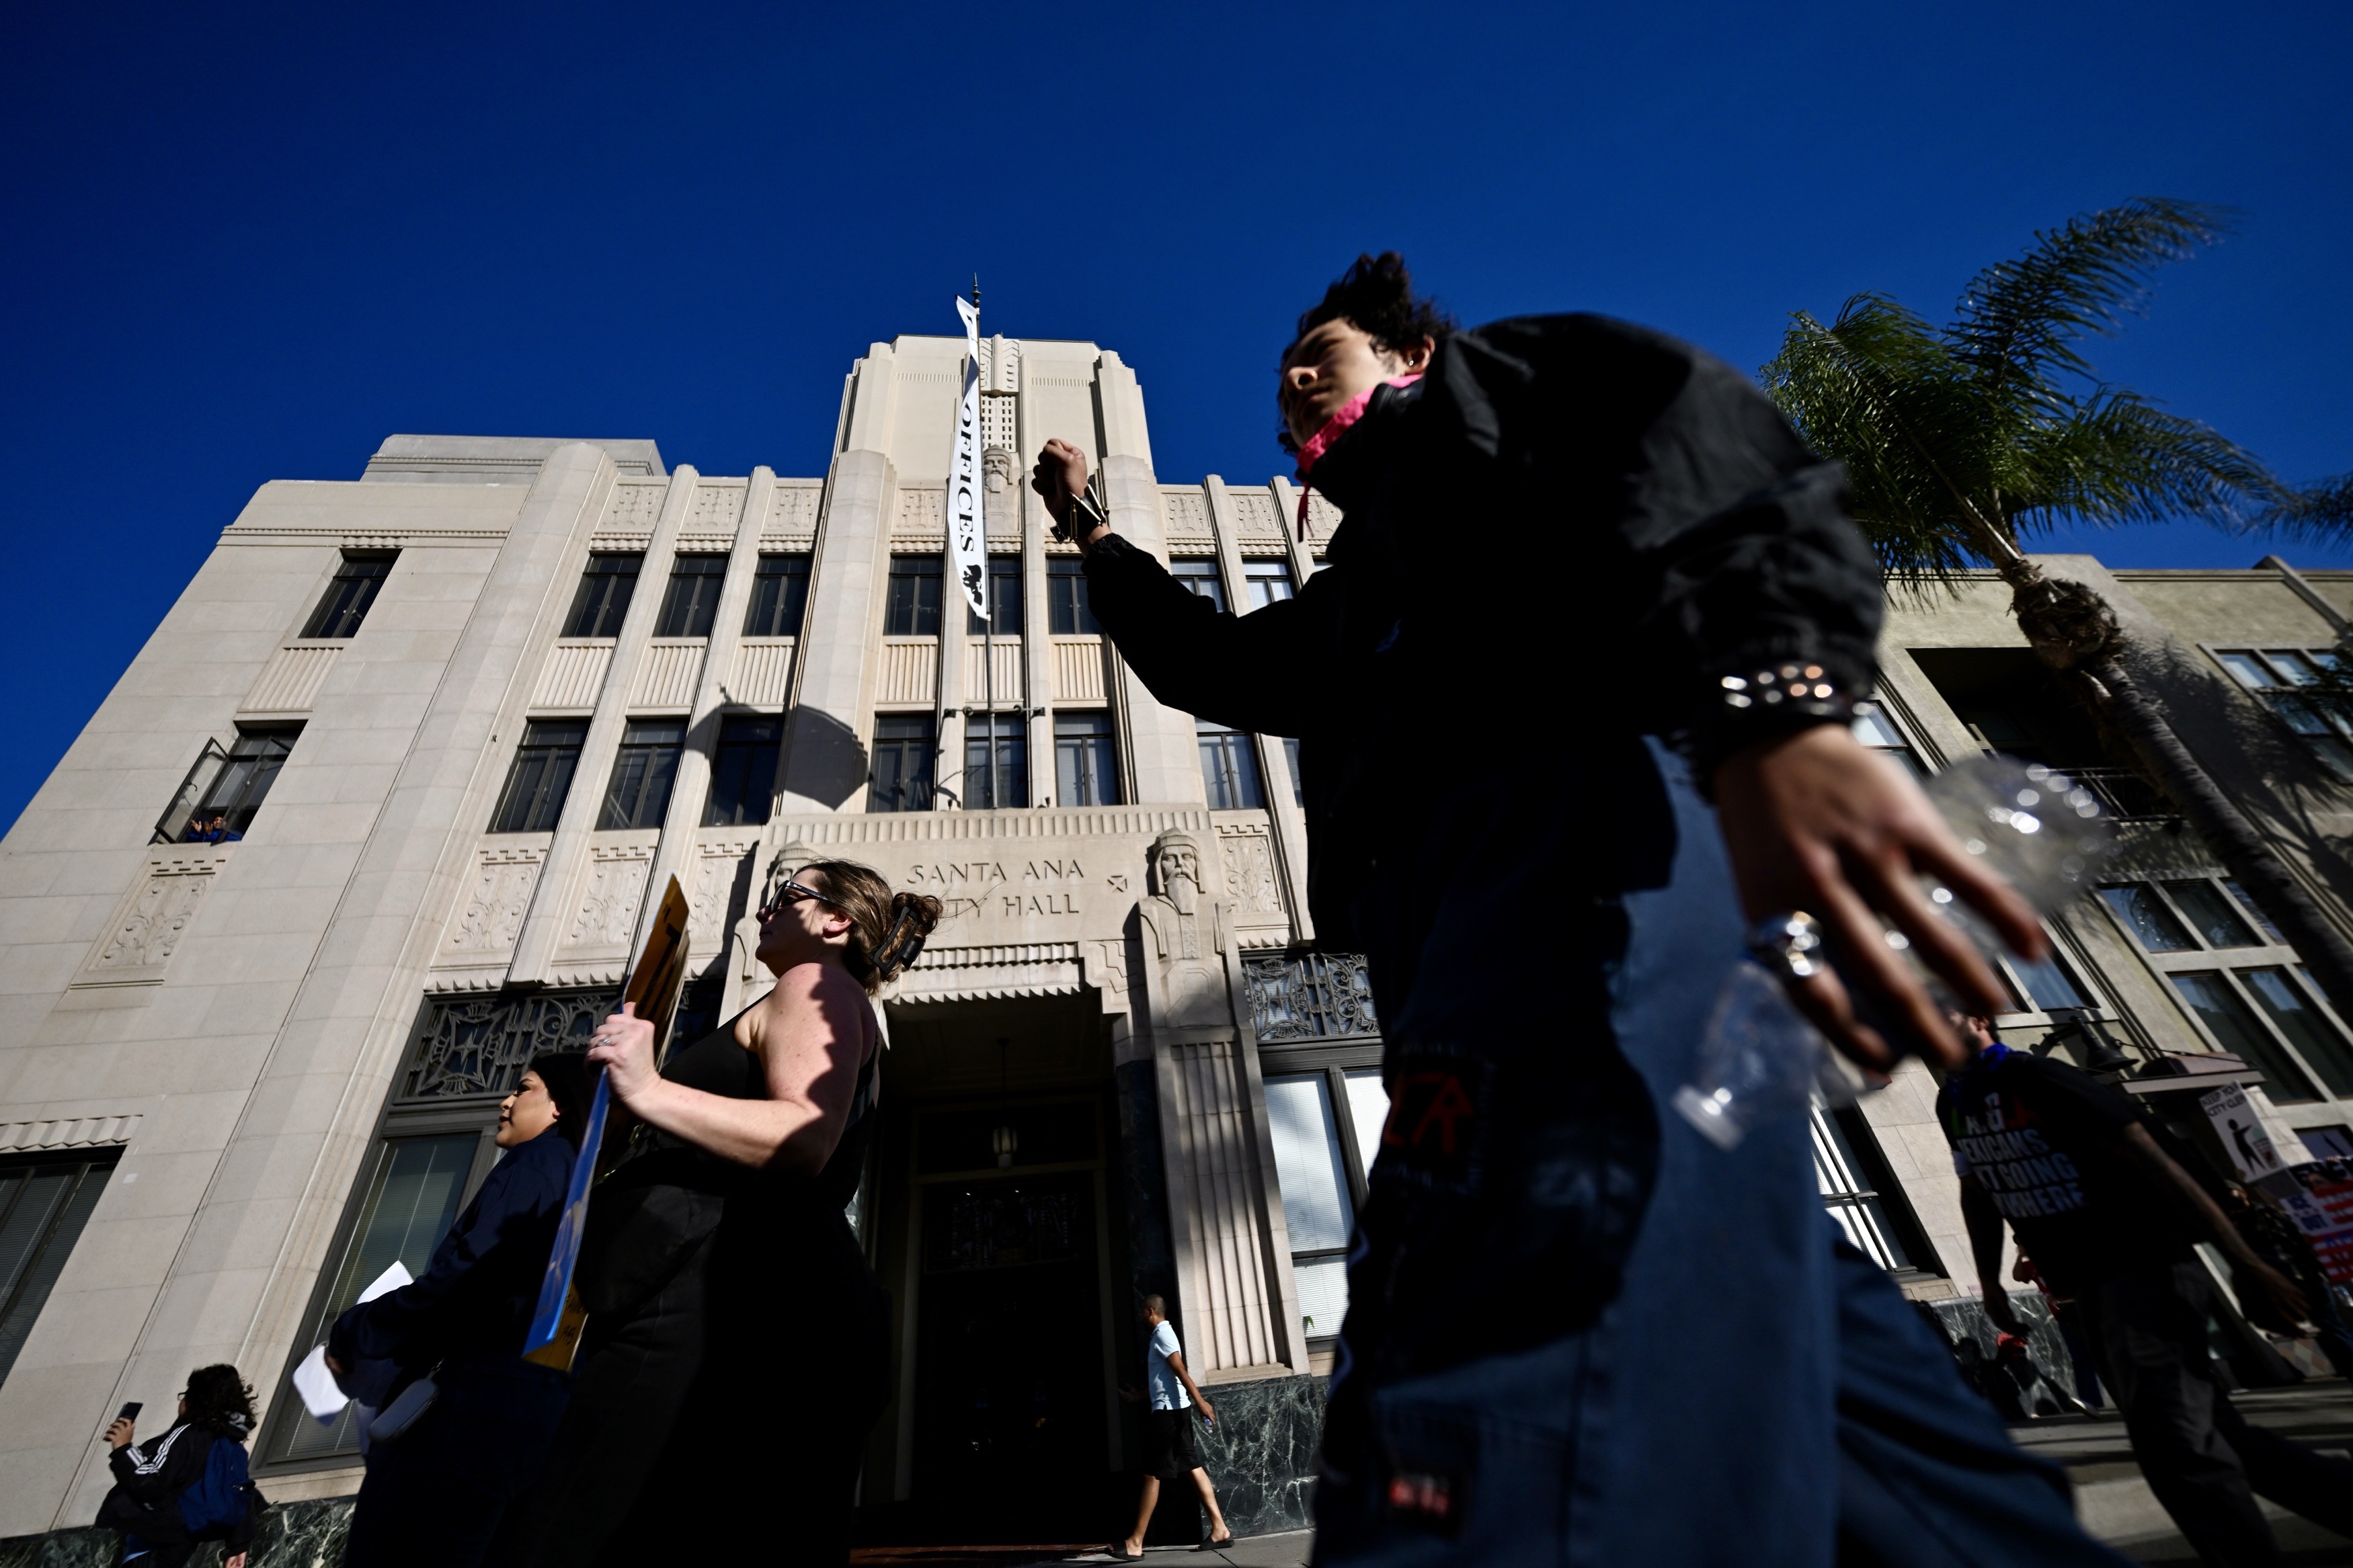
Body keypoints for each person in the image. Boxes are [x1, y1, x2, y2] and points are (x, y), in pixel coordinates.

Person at [1033, 253, 2126, 1565]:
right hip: (1454, 941)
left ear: (1402, 356)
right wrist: (1092, 534)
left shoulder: (1465, 405)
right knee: (1814, 1361)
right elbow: (1207, 658)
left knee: (1481, 1307)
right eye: (1279, 388)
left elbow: (1676, 434)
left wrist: (1776, 708)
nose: (1290, 379)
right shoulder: (1350, 597)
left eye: (1316, 349)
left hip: (1574, 863)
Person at [495, 860, 937, 1568]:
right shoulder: (827, 996)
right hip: (747, 1298)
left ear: (836, 921)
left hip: (718, 1298)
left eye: (787, 894)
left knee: (570, 1531)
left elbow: (802, 1135)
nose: (764, 908)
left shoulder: (814, 982)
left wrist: (646, 1087)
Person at [1940, 1012, 2353, 1562]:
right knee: (2219, 1436)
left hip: (2144, 1266)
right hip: (2085, 1287)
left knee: (2175, 1445)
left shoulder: (2044, 1079)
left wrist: (2245, 1262)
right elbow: (1978, 1191)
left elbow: (2160, 1165)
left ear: (1980, 1019)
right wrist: (1989, 1279)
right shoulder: (1955, 1103)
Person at [327, 1053, 592, 1568]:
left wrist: (356, 1329)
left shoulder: (538, 1166)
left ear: (558, 1106)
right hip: (533, 1405)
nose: (506, 1100)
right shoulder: (577, 1181)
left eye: (524, 1088)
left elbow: (466, 1278)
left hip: (475, 1407)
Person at [95, 1364, 264, 1568]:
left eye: (185, 1394)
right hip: (182, 1543)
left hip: (154, 1540)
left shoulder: (187, 1435)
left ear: (195, 1400)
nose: (181, 1401)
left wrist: (123, 1448)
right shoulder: (233, 1447)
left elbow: (149, 1481)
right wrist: (239, 1545)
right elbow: (243, 1495)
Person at [1113, 1296, 1231, 1557]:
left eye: (1141, 1312)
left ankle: (1135, 1543)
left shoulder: (1163, 1333)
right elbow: (1166, 1379)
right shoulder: (1161, 1335)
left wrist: (1201, 1401)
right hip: (1174, 1409)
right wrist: (1140, 1396)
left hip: (1169, 1413)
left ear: (1150, 1311)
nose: (1139, 1317)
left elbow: (1179, 1367)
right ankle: (1220, 1528)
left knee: (1152, 1474)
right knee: (1192, 1466)